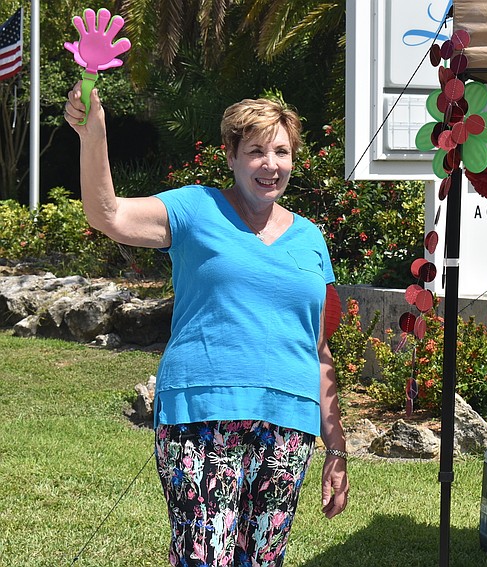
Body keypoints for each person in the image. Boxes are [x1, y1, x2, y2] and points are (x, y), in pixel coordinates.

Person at [64, 81, 349, 567]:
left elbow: (318, 349)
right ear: (231, 155)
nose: (270, 164)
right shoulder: (195, 209)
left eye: (281, 151)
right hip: (201, 413)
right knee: (206, 557)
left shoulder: (311, 239)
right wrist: (95, 136)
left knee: (262, 561)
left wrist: (336, 446)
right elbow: (108, 214)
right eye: (256, 150)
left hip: (289, 426)